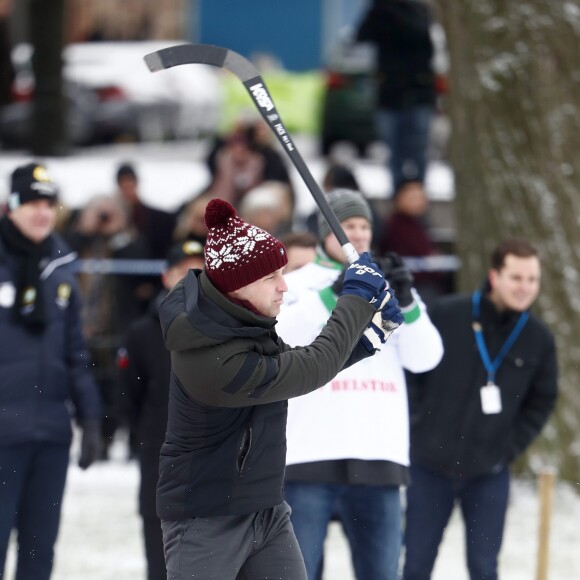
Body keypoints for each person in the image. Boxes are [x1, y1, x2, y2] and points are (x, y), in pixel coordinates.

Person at [156, 198, 404, 580]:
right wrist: (354, 298)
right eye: (271, 278)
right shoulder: (209, 356)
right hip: (204, 516)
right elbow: (309, 369)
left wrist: (365, 340)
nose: (284, 288)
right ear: (238, 285)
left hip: (266, 509)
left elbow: (295, 361)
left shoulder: (246, 323)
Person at [276, 188, 444, 580]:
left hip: (378, 455)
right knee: (295, 572)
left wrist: (407, 304)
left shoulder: (384, 285)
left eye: (364, 225)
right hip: (309, 454)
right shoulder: (297, 284)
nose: (358, 234)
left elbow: (427, 359)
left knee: (382, 573)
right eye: (347, 225)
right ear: (324, 233)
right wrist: (337, 293)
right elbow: (282, 338)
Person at [402, 239, 559, 580]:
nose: (525, 287)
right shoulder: (446, 314)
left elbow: (543, 399)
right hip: (430, 467)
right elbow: (411, 369)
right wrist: (417, 426)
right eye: (516, 278)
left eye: (532, 279)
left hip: (488, 473)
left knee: (485, 568)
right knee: (416, 565)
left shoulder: (538, 339)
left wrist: (509, 447)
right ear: (494, 275)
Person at [0, 162, 102, 580]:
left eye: (49, 204)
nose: (43, 212)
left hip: (51, 436)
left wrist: (91, 417)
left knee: (39, 554)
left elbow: (75, 352)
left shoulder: (61, 267)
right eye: (33, 203)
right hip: (3, 435)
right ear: (13, 206)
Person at [121, 240, 205, 580]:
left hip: (210, 451)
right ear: (166, 276)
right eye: (181, 271)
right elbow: (129, 394)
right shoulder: (142, 332)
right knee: (160, 546)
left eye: (198, 272)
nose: (189, 280)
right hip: (159, 451)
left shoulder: (225, 329)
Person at [356, 0, 438, 191]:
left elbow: (421, 39)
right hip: (390, 95)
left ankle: (417, 198)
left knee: (418, 150)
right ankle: (399, 198)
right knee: (396, 152)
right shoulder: (379, 11)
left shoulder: (417, 10)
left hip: (418, 92)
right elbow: (361, 36)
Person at [115, 162, 178, 260]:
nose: (127, 189)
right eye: (123, 185)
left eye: (130, 183)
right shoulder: (113, 217)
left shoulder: (158, 218)